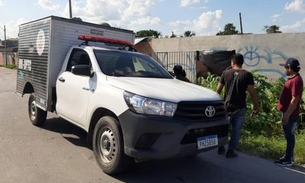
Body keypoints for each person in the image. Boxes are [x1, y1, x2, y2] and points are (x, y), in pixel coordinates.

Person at [216, 53, 259, 158]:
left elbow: (218, 90)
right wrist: (256, 106)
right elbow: (252, 93)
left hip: (226, 107)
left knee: (224, 127)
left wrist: (217, 105)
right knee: (236, 130)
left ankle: (220, 146)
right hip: (240, 107)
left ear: (233, 62)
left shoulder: (225, 73)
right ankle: (230, 151)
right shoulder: (247, 75)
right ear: (242, 63)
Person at [274, 58, 303, 167]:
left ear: (290, 68)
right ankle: (288, 156)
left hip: (290, 114)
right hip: (289, 113)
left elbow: (295, 99)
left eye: (285, 67)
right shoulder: (293, 78)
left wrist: (286, 114)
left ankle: (288, 160)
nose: (284, 69)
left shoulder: (296, 81)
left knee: (289, 136)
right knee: (288, 136)